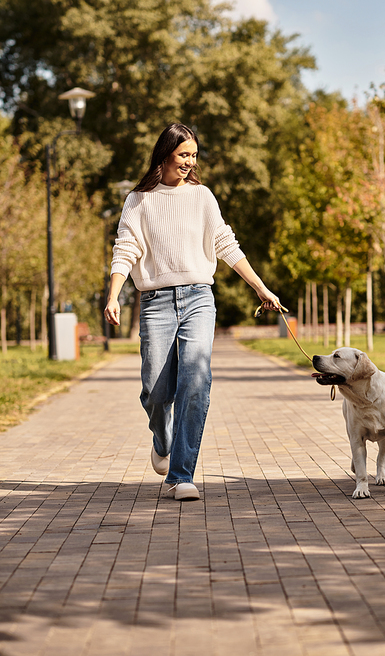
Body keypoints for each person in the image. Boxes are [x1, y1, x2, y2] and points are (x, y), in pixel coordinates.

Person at [104, 123, 280, 501]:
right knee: (155, 389)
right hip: (155, 302)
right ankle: (163, 437)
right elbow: (125, 249)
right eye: (184, 154)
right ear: (165, 154)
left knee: (195, 379)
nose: (189, 162)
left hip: (199, 297)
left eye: (194, 156)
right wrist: (114, 294)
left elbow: (225, 243)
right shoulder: (139, 200)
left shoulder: (202, 197)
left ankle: (180, 475)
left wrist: (260, 287)